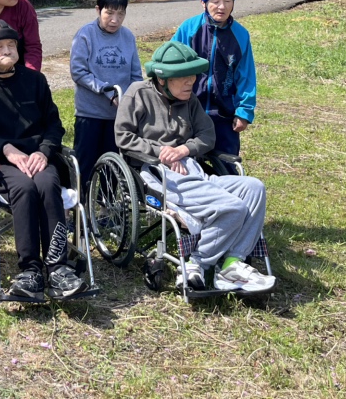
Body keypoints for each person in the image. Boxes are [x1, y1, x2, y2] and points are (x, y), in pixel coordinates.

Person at [114, 41, 274, 293]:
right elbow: (123, 137)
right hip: (156, 173)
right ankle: (196, 263)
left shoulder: (189, 100)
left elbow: (207, 135)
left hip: (192, 171)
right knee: (233, 207)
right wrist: (161, 152)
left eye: (193, 76)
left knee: (254, 188)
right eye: (184, 78)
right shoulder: (138, 94)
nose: (192, 82)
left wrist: (183, 150)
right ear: (163, 79)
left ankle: (233, 262)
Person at [0, 20, 85, 301]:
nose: (7, 51)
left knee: (48, 184)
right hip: (0, 161)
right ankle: (30, 270)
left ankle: (58, 268)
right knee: (25, 189)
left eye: (11, 45)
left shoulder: (35, 81)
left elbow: (54, 125)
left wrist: (44, 151)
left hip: (38, 157)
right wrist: (5, 149)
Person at [172, 0, 257, 157]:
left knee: (227, 164)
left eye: (227, 1)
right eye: (215, 1)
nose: (222, 7)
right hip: (189, 110)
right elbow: (170, 64)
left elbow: (246, 75)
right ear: (203, 3)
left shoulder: (240, 35)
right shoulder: (189, 28)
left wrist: (244, 111)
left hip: (224, 114)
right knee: (187, 162)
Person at [69, 0, 143, 187]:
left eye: (120, 14)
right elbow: (78, 72)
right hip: (90, 114)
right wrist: (106, 90)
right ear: (98, 10)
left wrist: (130, 100)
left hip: (118, 116)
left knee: (113, 166)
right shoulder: (85, 35)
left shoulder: (128, 37)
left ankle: (106, 203)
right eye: (109, 13)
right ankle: (81, 201)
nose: (114, 20)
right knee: (85, 165)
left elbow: (136, 75)